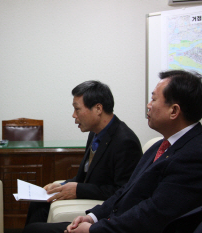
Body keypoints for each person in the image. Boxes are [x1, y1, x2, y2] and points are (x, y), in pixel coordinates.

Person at [23, 70, 202, 233]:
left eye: (154, 99)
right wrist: (92, 216)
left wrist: (94, 229)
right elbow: (127, 191)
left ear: (174, 111)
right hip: (111, 222)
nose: (148, 105)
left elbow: (154, 213)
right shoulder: (160, 146)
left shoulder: (193, 154)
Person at [25, 80, 142, 225]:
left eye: (77, 109)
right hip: (91, 196)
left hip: (106, 212)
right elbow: (85, 176)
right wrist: (62, 185)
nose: (74, 115)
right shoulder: (94, 134)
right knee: (37, 203)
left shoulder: (125, 141)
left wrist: (78, 190)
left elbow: (124, 191)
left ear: (98, 109)